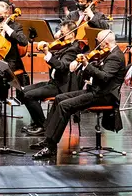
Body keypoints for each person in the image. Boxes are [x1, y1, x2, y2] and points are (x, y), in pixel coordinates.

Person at [32, 28, 125, 160]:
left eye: (99, 42)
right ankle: (48, 139)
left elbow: (104, 77)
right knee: (59, 98)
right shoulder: (109, 53)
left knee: (65, 106)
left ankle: (51, 147)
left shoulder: (115, 56)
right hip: (96, 90)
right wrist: (84, 65)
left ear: (106, 43)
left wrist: (87, 65)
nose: (97, 44)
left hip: (104, 96)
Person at [21, 15, 80, 134]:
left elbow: (61, 66)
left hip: (61, 86)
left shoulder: (73, 49)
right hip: (53, 82)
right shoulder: (64, 45)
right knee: (22, 91)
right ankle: (37, 122)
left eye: (62, 32)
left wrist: (47, 52)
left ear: (71, 34)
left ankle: (43, 126)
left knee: (29, 96)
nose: (60, 34)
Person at [0, 0, 30, 110]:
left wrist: (7, 30)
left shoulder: (15, 26)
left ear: (6, 13)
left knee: (0, 74)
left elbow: (24, 41)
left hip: (11, 60)